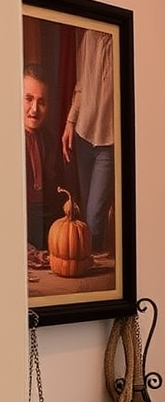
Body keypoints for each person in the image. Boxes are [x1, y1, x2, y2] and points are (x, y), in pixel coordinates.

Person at [62, 28, 115, 255]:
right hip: (83, 133)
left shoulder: (121, 38)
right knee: (85, 212)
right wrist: (70, 122)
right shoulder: (89, 36)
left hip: (110, 141)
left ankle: (99, 281)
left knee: (94, 216)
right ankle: (86, 269)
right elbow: (82, 84)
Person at [24, 63, 63, 260]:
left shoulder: (48, 139)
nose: (34, 109)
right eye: (28, 99)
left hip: (43, 217)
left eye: (42, 102)